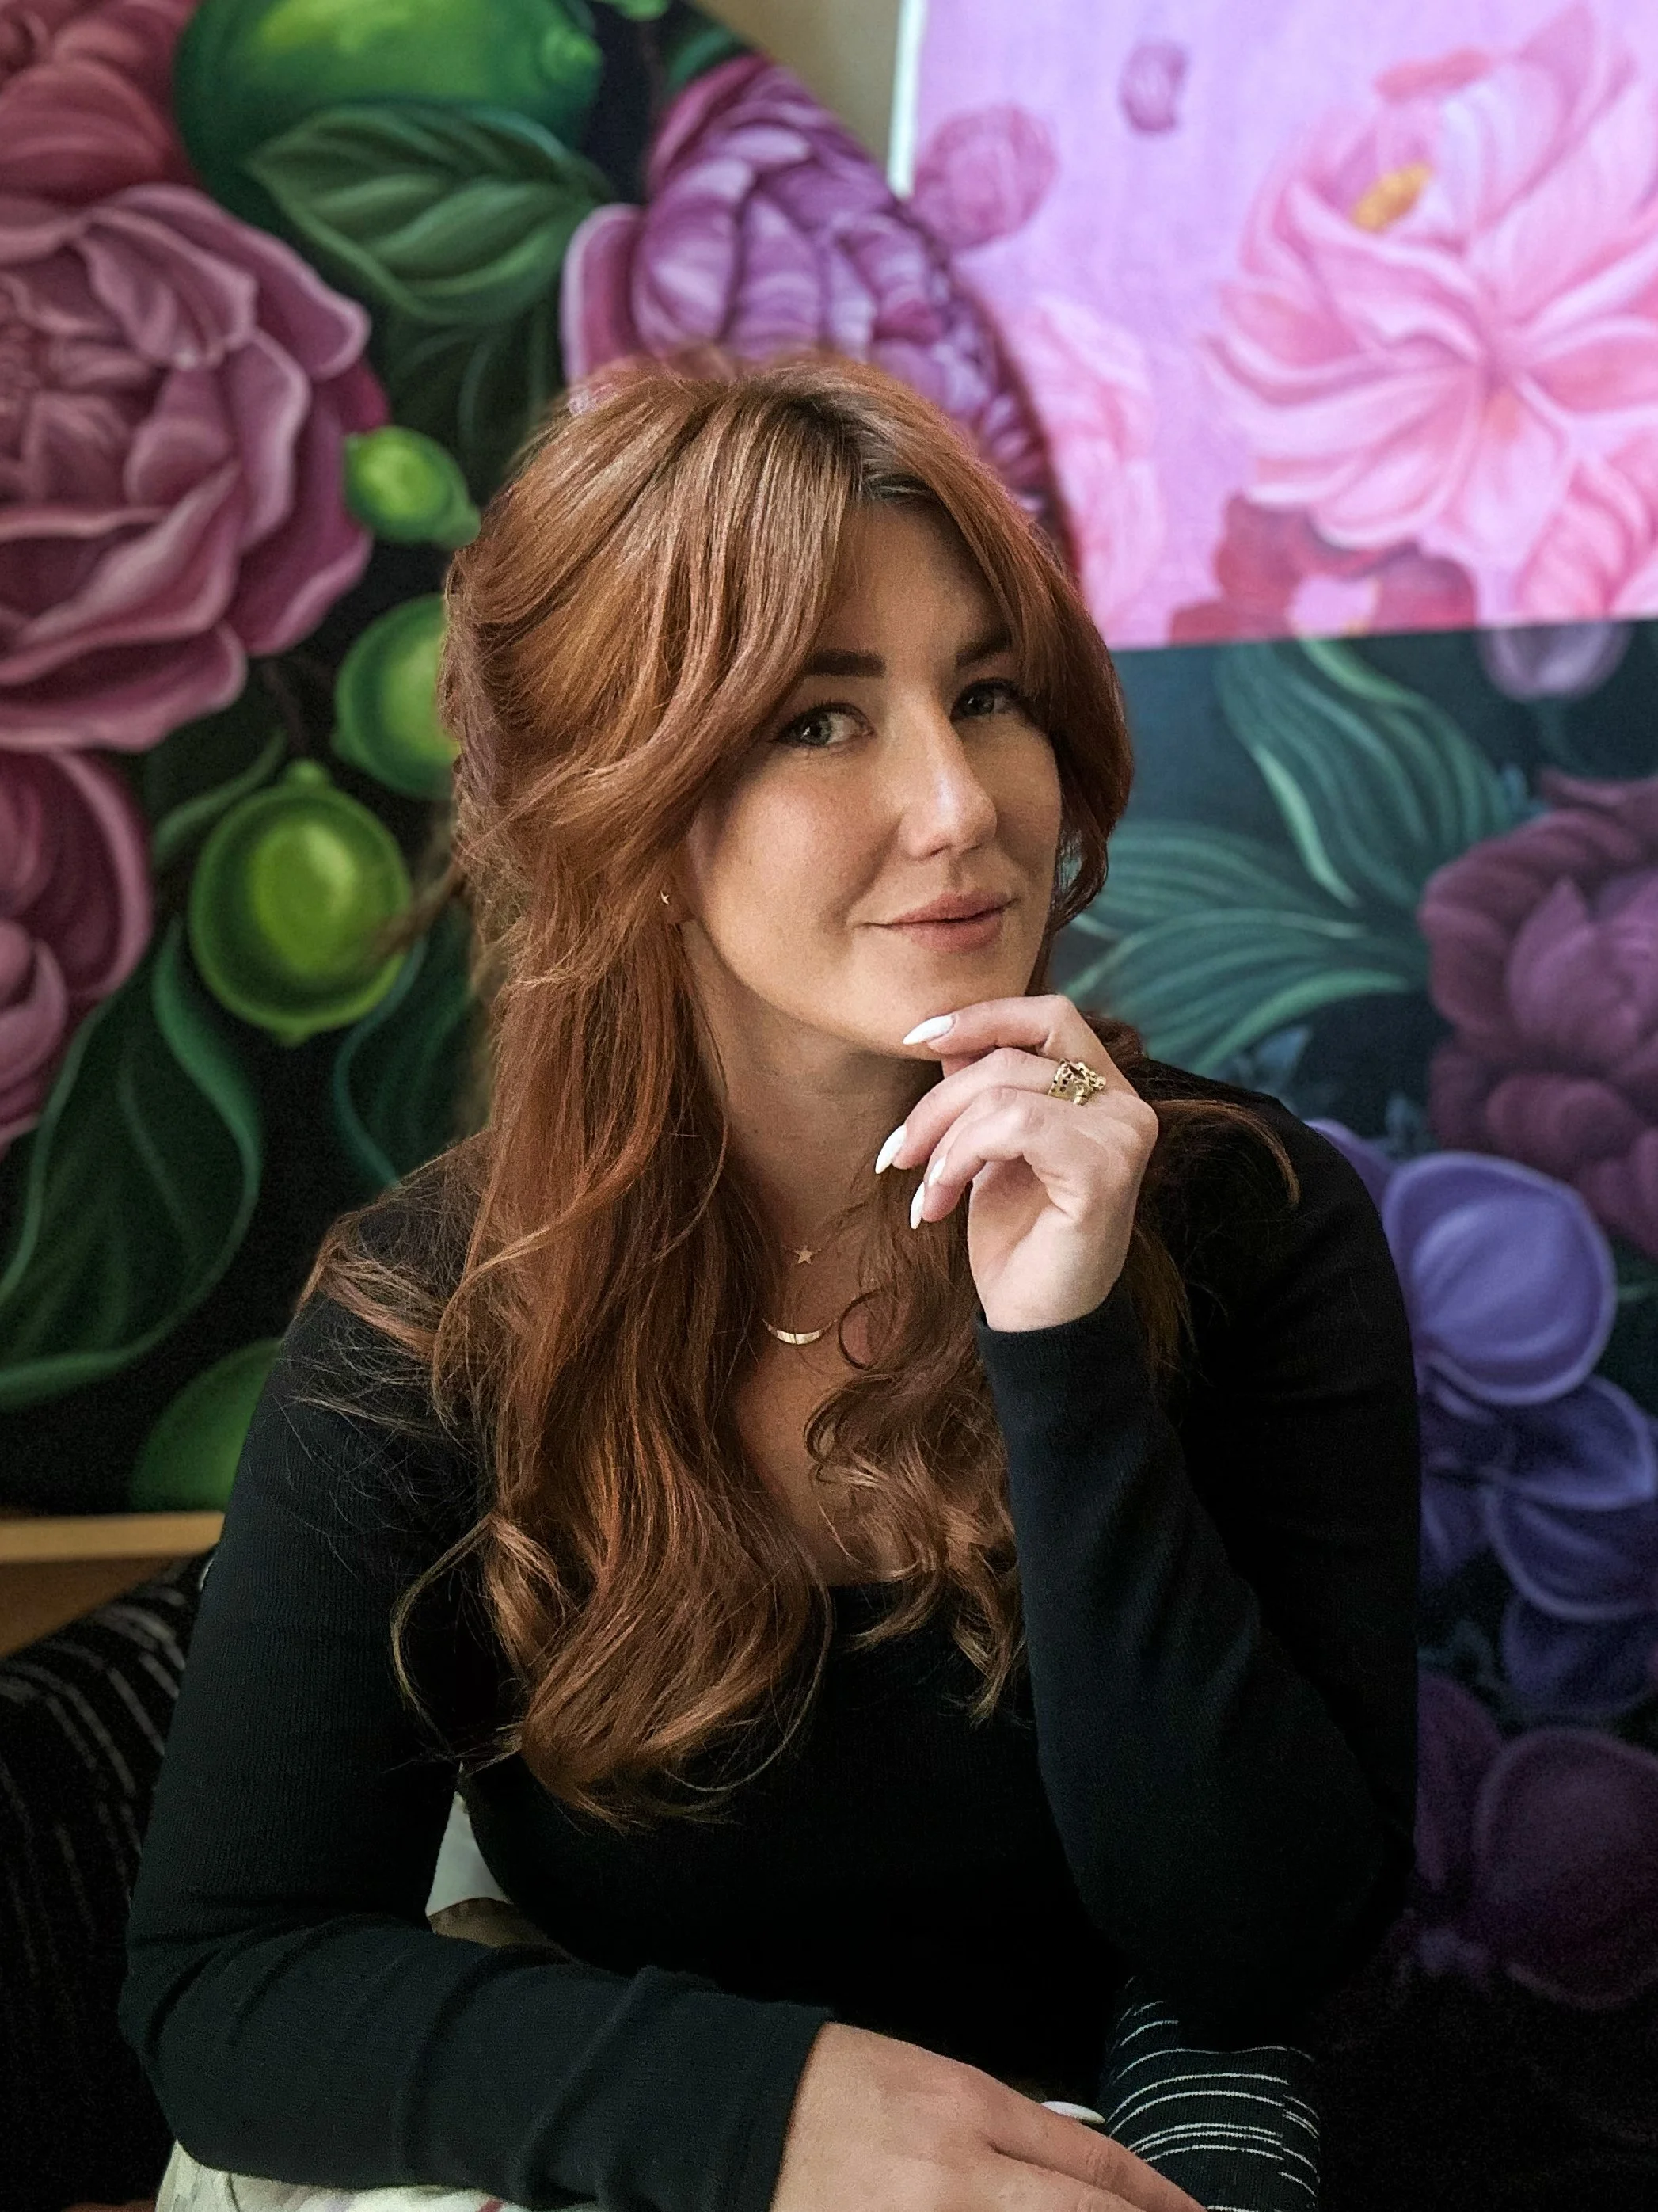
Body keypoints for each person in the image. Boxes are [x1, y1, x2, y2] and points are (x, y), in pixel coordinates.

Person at [120, 352, 1421, 2212]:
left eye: (986, 696)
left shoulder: (1245, 1219)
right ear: (616, 807)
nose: (961, 804)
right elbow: (226, 1986)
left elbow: (1260, 1946)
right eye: (819, 720)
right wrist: (777, 2111)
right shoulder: (436, 1317)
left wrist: (1060, 1344)